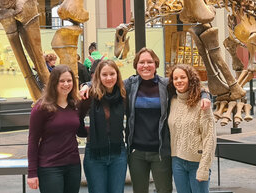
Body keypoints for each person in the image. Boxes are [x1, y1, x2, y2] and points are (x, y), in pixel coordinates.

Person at [81, 48, 211, 193]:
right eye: (141, 62)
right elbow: (107, 81)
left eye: (149, 62)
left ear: (155, 64)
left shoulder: (166, 85)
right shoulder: (130, 85)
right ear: (136, 65)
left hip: (160, 151)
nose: (145, 65)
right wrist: (88, 84)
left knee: (164, 190)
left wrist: (205, 95)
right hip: (137, 152)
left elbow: (193, 85)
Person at [27, 65, 81, 193]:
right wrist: (32, 172)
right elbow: (33, 140)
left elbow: (79, 130)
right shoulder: (41, 107)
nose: (66, 84)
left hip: (73, 165)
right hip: (50, 167)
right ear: (54, 82)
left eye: (69, 80)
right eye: (61, 81)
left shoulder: (74, 104)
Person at [78, 59, 127, 193]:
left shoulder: (123, 94)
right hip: (95, 154)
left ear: (117, 75)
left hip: (118, 153)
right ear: (98, 76)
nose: (109, 78)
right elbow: (78, 119)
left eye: (112, 74)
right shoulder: (89, 96)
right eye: (104, 74)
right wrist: (87, 132)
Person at [167, 64, 216, 193]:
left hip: (197, 163)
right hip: (177, 161)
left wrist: (204, 168)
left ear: (190, 79)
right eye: (175, 78)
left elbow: (209, 138)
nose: (179, 81)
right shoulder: (172, 101)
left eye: (183, 77)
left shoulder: (203, 104)